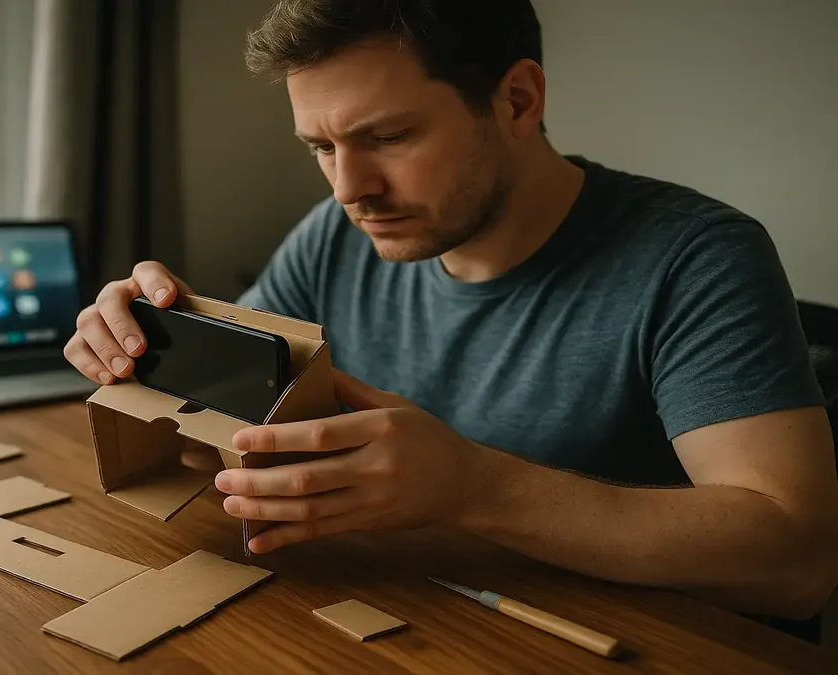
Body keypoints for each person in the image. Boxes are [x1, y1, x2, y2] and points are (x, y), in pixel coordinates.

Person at [62, 0, 838, 635]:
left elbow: (799, 565)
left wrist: (474, 486)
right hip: (426, 620)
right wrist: (159, 344)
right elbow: (239, 417)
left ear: (518, 101)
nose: (349, 188)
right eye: (321, 146)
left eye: (387, 136)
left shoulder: (697, 258)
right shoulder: (338, 233)